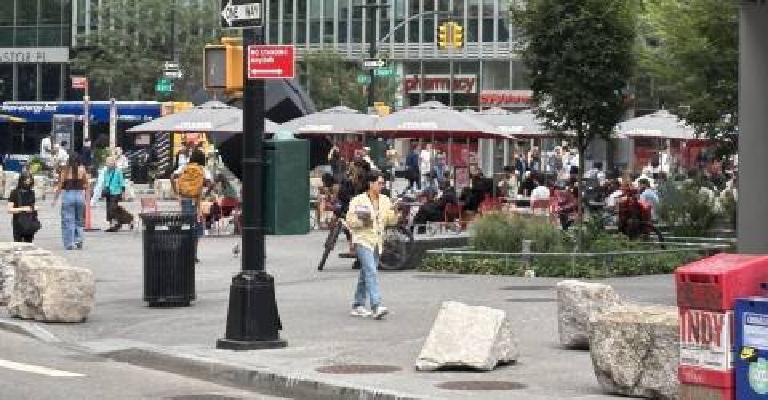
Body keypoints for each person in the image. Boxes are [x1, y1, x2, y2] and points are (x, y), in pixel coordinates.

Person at [346, 171, 398, 319]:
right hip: (363, 239)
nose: (382, 186)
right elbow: (350, 221)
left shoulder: (385, 200)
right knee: (371, 271)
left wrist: (395, 212)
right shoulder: (358, 200)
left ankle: (357, 305)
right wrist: (363, 221)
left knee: (366, 273)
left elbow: (391, 221)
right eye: (379, 183)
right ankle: (376, 305)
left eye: (383, 183)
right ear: (371, 183)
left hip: (377, 241)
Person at [172, 150, 212, 262]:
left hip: (184, 200)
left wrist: (176, 193)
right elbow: (210, 184)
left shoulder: (184, 168)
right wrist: (205, 193)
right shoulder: (203, 170)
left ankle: (184, 253)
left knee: (186, 226)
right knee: (196, 228)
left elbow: (172, 177)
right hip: (196, 201)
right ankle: (193, 254)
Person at [53, 153, 89, 250]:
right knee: (79, 220)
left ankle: (69, 243)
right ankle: (79, 240)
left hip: (68, 195)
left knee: (68, 220)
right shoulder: (82, 169)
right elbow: (86, 184)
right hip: (79, 195)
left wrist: (55, 199)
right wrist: (87, 198)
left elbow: (60, 186)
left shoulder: (65, 170)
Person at [96, 156, 132, 232]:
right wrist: (103, 191)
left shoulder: (118, 171)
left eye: (110, 162)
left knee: (112, 209)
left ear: (113, 163)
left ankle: (117, 223)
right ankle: (125, 220)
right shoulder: (106, 172)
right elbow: (105, 182)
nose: (108, 164)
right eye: (107, 162)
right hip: (108, 192)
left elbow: (122, 182)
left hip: (116, 192)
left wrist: (123, 193)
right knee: (110, 209)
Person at [8, 172, 38, 242]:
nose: (28, 183)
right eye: (26, 181)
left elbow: (32, 206)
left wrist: (34, 208)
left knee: (28, 243)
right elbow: (9, 209)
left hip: (29, 221)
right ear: (21, 181)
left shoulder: (31, 192)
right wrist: (23, 209)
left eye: (29, 181)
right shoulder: (14, 192)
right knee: (18, 244)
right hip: (18, 222)